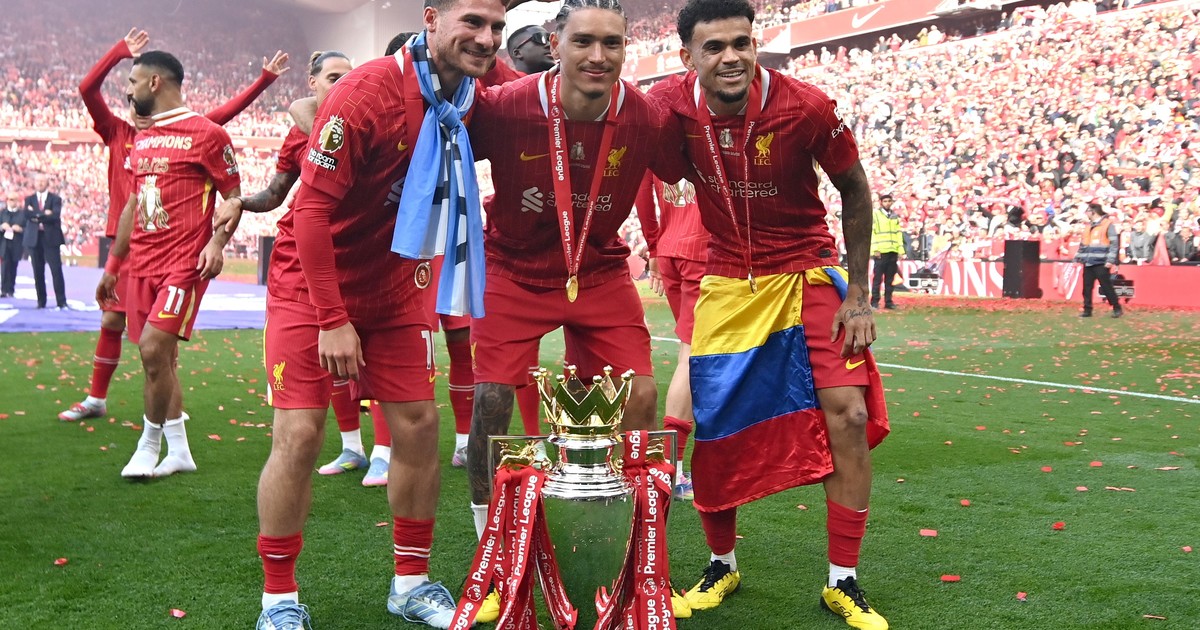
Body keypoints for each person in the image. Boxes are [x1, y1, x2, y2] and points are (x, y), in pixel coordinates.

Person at [648, 0, 890, 627]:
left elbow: (856, 188)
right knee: (714, 424)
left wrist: (859, 295)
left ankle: (843, 580)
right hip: (727, 279)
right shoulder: (667, 108)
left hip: (807, 268)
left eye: (742, 43)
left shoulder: (805, 106)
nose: (731, 57)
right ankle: (721, 565)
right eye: (714, 47)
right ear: (687, 56)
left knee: (849, 414)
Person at [279, 0, 510, 625]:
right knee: (299, 436)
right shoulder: (367, 93)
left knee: (417, 426)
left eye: (496, 27)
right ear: (431, 18)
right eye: (473, 23)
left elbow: (546, 96)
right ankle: (279, 600)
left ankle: (410, 584)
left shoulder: (473, 92)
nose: (487, 38)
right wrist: (331, 317)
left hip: (397, 283)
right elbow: (309, 212)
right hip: (313, 282)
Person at [465, 0, 688, 541]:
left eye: (612, 43)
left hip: (599, 271)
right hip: (514, 269)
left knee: (641, 396)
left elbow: (690, 164)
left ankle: (633, 540)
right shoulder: (505, 107)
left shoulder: (646, 117)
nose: (598, 56)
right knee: (491, 402)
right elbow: (436, 142)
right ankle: (488, 539)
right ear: (555, 44)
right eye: (583, 41)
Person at [59, 27, 287, 423]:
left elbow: (223, 118)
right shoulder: (117, 132)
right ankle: (99, 398)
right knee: (115, 321)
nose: (131, 99)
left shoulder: (186, 133)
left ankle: (166, 425)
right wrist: (120, 52)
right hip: (127, 242)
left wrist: (263, 81)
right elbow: (87, 89)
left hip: (171, 246)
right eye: (128, 95)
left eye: (135, 88)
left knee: (160, 344)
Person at [96, 50, 242, 480]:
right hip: (141, 263)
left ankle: (149, 446)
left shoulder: (208, 134)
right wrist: (113, 266)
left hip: (184, 264)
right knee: (160, 361)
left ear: (154, 82)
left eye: (133, 82)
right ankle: (179, 451)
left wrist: (217, 242)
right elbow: (132, 206)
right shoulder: (141, 138)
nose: (129, 91)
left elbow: (233, 197)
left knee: (153, 348)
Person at [636, 173, 708, 501]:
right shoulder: (704, 138)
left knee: (695, 353)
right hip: (704, 252)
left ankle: (681, 460)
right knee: (692, 355)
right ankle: (672, 467)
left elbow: (641, 195)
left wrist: (654, 246)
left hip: (669, 251)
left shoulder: (656, 142)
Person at [24, 174, 67, 310]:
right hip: (34, 239)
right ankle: (41, 302)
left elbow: (55, 216)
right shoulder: (29, 199)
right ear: (34, 183)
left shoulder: (55, 199)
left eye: (42, 181)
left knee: (56, 270)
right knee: (37, 272)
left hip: (51, 239)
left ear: (47, 183)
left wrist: (36, 215)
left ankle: (61, 301)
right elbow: (27, 215)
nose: (40, 183)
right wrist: (44, 214)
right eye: (38, 181)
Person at [1074, 202, 1122, 318]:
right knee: (1087, 288)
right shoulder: (1088, 226)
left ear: (1093, 212)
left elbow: (1114, 244)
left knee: (1106, 286)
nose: (1086, 214)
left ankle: (1116, 307)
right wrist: (1078, 257)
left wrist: (1110, 260)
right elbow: (1083, 244)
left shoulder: (1107, 224)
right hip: (1088, 262)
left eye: (1087, 211)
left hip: (1101, 262)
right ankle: (1087, 309)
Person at [870, 191, 902, 310]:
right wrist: (875, 249)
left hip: (892, 251)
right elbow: (872, 232)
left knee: (890, 279)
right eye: (885, 201)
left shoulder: (894, 216)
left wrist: (900, 250)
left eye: (889, 201)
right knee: (878, 278)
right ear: (881, 202)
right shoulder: (876, 215)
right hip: (881, 252)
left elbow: (898, 233)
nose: (887, 203)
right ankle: (874, 301)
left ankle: (888, 301)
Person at [0, 192, 25, 297]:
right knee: (4, 267)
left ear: (17, 201)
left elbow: (27, 228)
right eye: (9, 199)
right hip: (4, 244)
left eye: (13, 199)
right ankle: (4, 290)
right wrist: (2, 227)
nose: (11, 202)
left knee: (13, 266)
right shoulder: (2, 213)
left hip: (16, 244)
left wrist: (20, 229)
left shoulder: (22, 214)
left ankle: (11, 289)